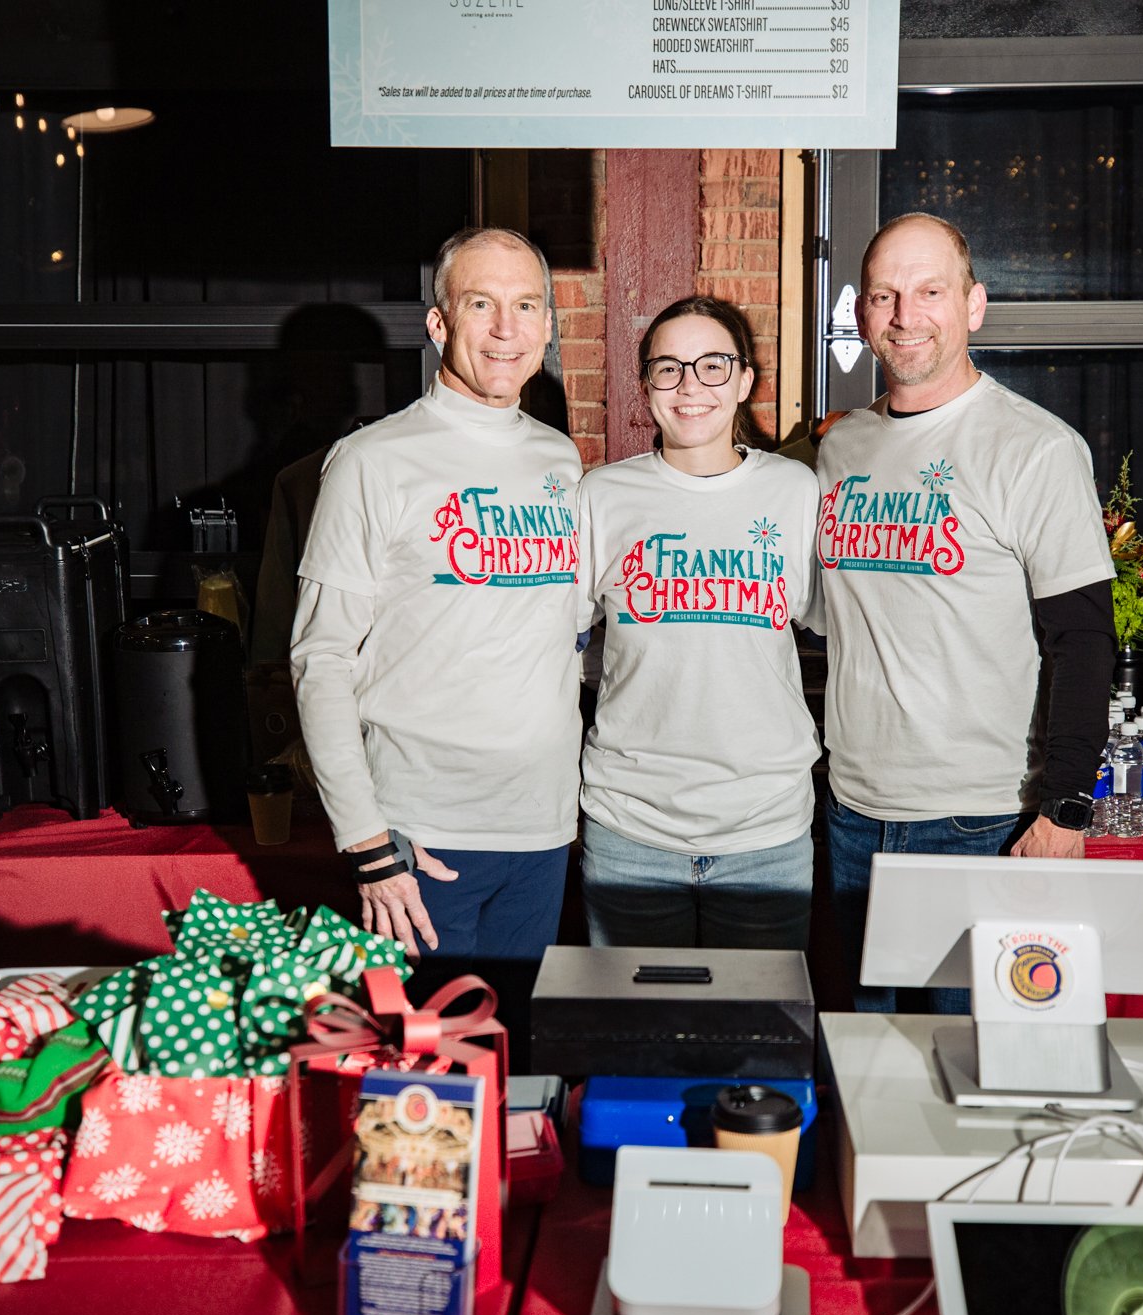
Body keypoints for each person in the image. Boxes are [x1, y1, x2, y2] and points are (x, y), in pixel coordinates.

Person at [814, 212, 1116, 1010]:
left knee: (973, 1072)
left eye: (929, 291)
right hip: (853, 810)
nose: (905, 316)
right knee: (868, 1066)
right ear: (862, 314)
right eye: (884, 295)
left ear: (973, 305)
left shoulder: (1034, 448)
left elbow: (1083, 640)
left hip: (981, 820)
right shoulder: (841, 447)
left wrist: (1065, 806)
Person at [291, 226, 581, 960]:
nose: (507, 329)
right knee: (425, 1069)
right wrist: (367, 843)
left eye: (526, 305)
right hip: (421, 837)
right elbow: (319, 658)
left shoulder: (559, 457)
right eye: (482, 303)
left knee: (515, 1059)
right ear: (439, 322)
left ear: (547, 324)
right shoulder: (369, 462)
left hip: (543, 829)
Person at [574, 296, 821, 950]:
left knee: (761, 1041)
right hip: (630, 829)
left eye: (712, 365)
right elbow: (563, 645)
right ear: (646, 384)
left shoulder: (795, 492)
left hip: (765, 831)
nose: (690, 387)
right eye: (668, 368)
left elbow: (839, 624)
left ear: (744, 380)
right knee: (631, 1041)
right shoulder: (602, 497)